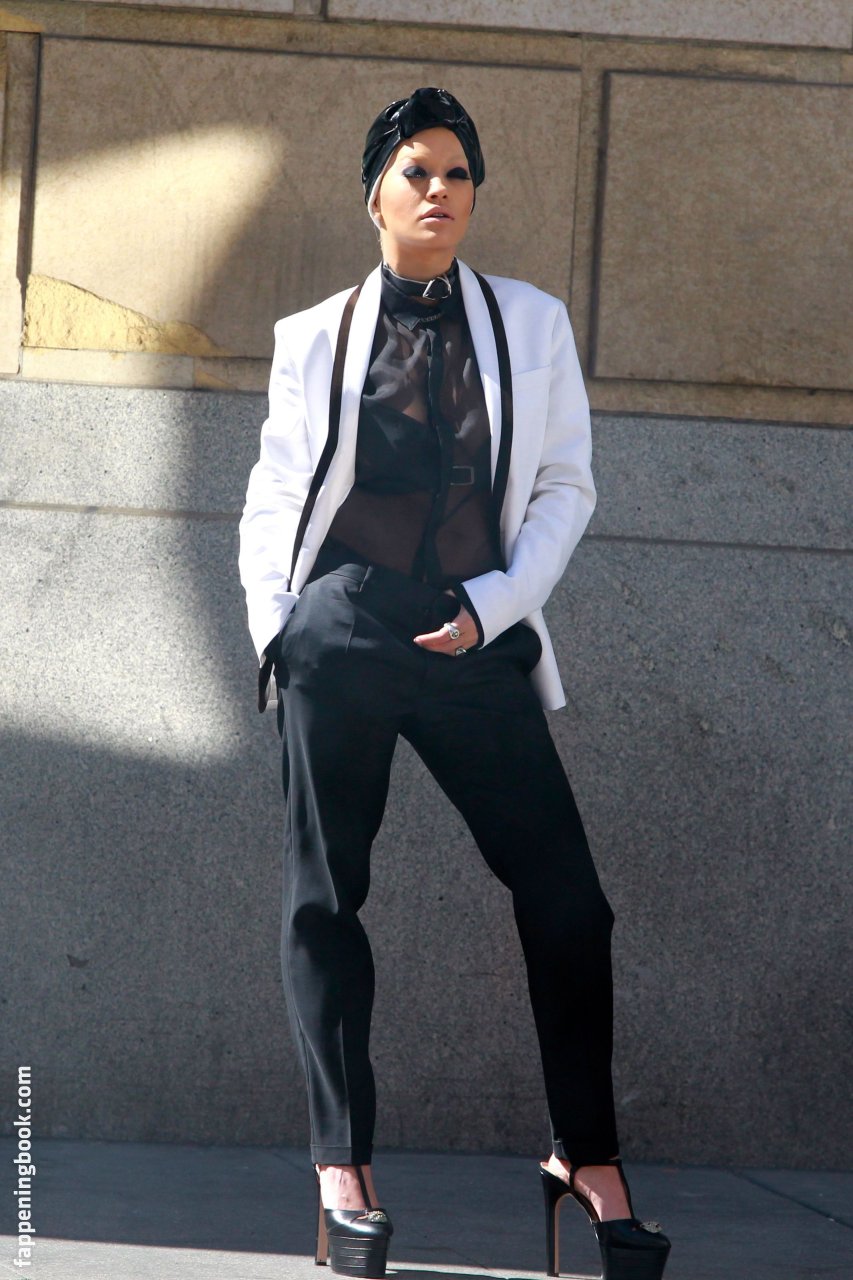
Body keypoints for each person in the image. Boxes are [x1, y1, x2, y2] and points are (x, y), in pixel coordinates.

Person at [238, 87, 670, 1280]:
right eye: (417, 171)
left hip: (474, 634)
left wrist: (497, 604)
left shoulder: (529, 322)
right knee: (327, 897)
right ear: (374, 193)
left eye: (458, 173)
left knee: (570, 901)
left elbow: (565, 484)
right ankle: (342, 1168)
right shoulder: (313, 334)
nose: (439, 190)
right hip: (345, 632)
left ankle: (585, 1157)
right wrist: (281, 630)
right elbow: (278, 491)